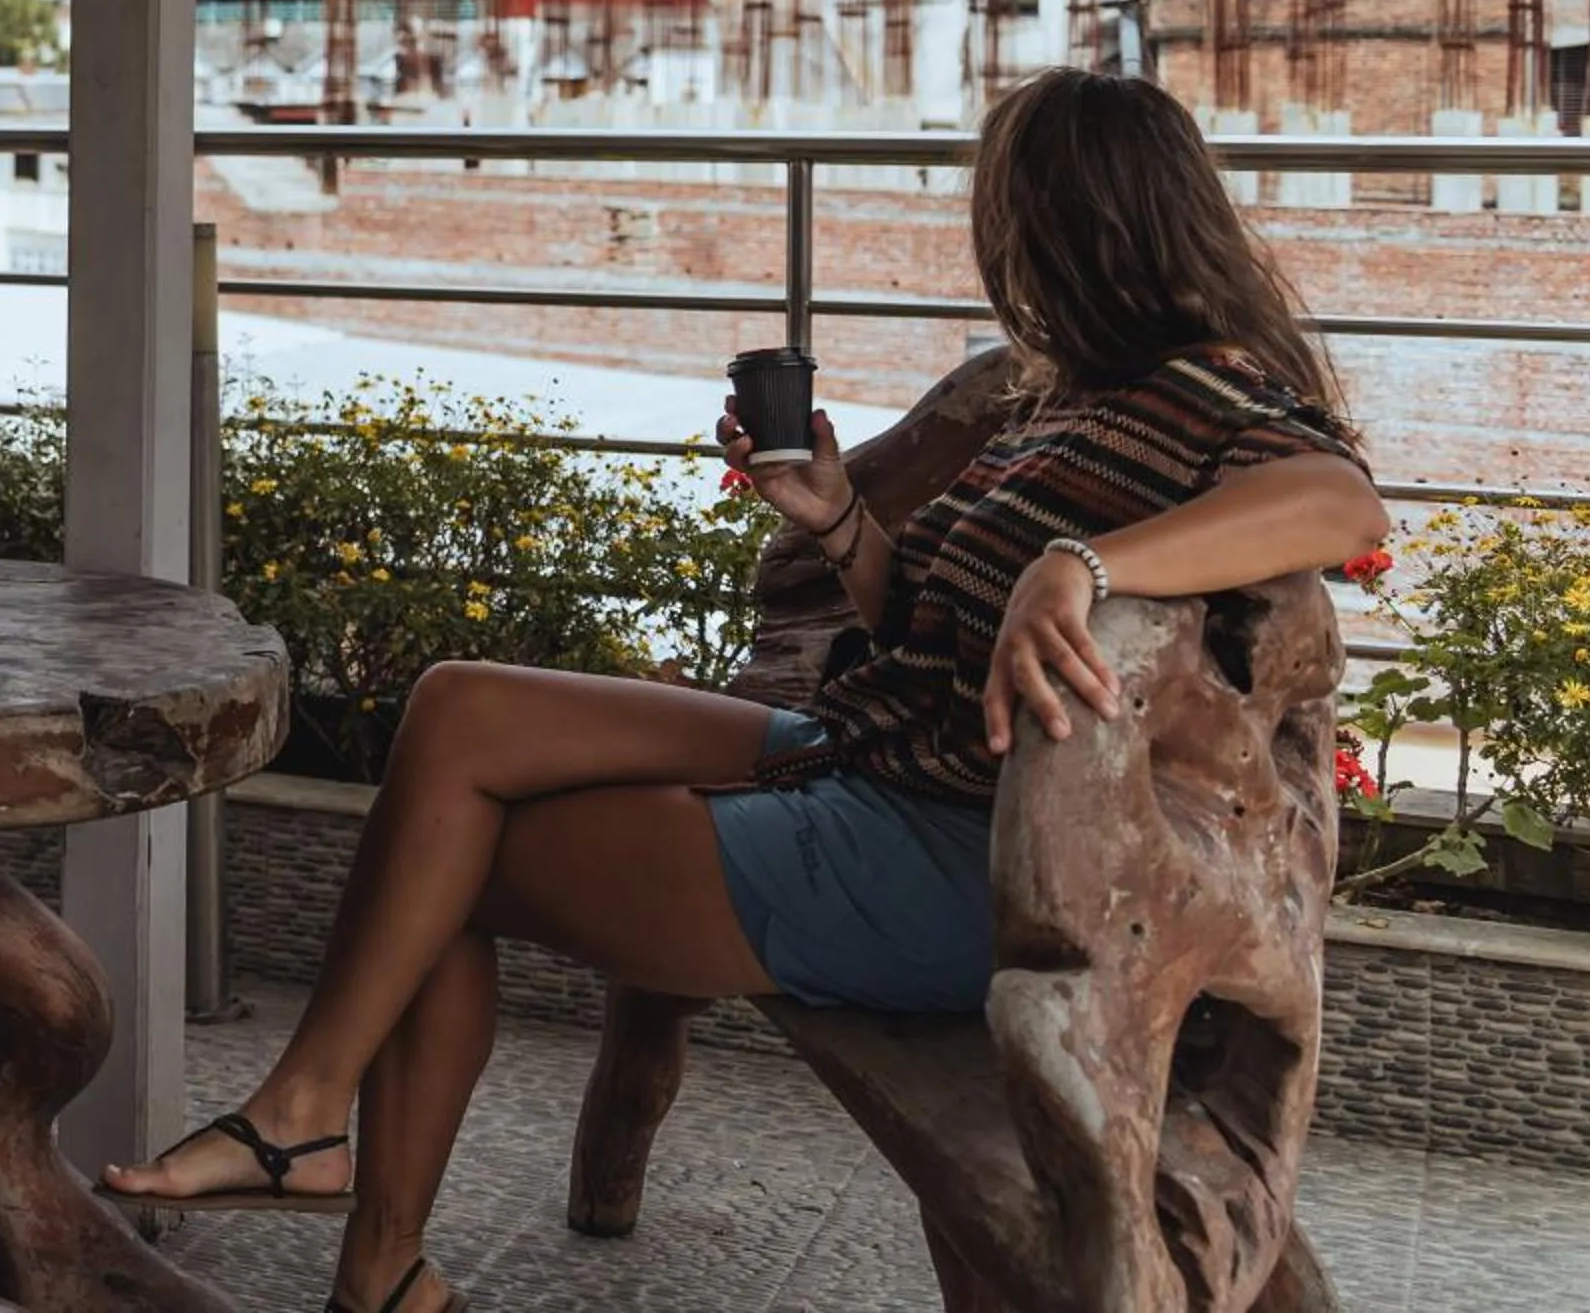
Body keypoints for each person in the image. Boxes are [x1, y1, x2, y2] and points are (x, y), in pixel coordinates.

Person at [97, 69, 1391, 1313]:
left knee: (449, 870)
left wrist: (1082, 562)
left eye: (1005, 215)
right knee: (458, 707)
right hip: (870, 756)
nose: (991, 245)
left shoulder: (1211, 391)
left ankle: (344, 1210)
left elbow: (1339, 501)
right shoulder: (1069, 398)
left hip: (957, 864)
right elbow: (927, 627)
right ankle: (308, 1127)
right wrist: (837, 523)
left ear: (1076, 226)